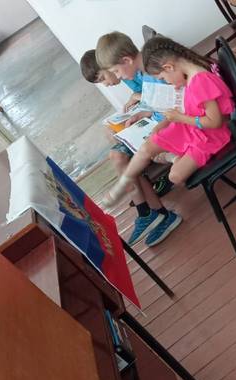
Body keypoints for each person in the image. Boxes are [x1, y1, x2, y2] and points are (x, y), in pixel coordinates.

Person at [101, 36, 235, 212]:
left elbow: (216, 122)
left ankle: (177, 157)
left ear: (169, 67)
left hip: (209, 136)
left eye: (163, 78)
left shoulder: (200, 80)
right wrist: (172, 117)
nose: (167, 82)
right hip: (193, 126)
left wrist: (179, 118)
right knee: (147, 147)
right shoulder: (190, 76)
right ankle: (123, 183)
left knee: (175, 177)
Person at [80, 48, 178, 247]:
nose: (108, 82)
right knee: (117, 153)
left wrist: (139, 100)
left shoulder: (139, 71)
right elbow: (154, 101)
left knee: (119, 157)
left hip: (164, 126)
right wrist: (140, 108)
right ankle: (154, 213)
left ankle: (152, 213)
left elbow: (165, 100)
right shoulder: (131, 73)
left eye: (105, 76)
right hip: (155, 120)